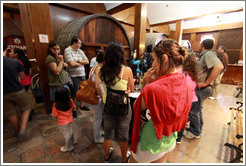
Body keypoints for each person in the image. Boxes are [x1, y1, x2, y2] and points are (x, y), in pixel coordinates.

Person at [129, 39, 193, 163]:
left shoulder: (152, 89)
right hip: (170, 138)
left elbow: (137, 108)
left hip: (151, 142)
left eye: (154, 60)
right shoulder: (185, 82)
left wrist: (146, 84)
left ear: (164, 59)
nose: (152, 64)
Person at [100, 41, 134, 163]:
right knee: (123, 134)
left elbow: (104, 87)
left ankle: (107, 156)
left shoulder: (102, 70)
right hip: (123, 107)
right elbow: (132, 88)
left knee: (108, 132)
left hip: (108, 105)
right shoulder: (127, 70)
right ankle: (124, 159)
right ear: (120, 55)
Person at [183, 39, 224, 139]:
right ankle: (197, 129)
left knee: (194, 111)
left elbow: (219, 66)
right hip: (201, 88)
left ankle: (195, 132)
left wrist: (206, 82)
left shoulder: (208, 54)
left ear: (202, 45)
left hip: (202, 88)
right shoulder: (206, 55)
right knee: (197, 110)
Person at [3, 42, 31, 137]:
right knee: (26, 108)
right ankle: (22, 129)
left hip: (3, 93)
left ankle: (17, 130)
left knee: (11, 113)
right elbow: (22, 77)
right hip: (17, 89)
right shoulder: (14, 62)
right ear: (6, 49)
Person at [176, 52, 199, 144]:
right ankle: (179, 138)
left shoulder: (180, 73)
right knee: (184, 120)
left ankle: (176, 137)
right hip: (193, 100)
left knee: (179, 120)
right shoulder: (193, 73)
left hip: (184, 101)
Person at [64, 37, 90, 111]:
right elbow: (71, 64)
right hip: (74, 75)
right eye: (79, 43)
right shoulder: (67, 50)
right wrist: (82, 62)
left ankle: (82, 106)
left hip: (82, 74)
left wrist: (78, 61)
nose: (80, 45)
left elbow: (87, 61)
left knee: (82, 91)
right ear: (74, 43)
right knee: (74, 93)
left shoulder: (80, 51)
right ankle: (74, 109)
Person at [51, 86, 77, 152]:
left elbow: (54, 115)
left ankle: (68, 147)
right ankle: (73, 140)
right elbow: (74, 108)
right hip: (70, 119)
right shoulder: (70, 101)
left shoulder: (55, 105)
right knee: (70, 130)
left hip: (62, 123)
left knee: (66, 135)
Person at [88, 50, 105, 144]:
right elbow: (98, 85)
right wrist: (102, 98)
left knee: (97, 116)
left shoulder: (94, 67)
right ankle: (97, 137)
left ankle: (98, 132)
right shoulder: (99, 69)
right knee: (98, 118)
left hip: (94, 95)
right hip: (97, 96)